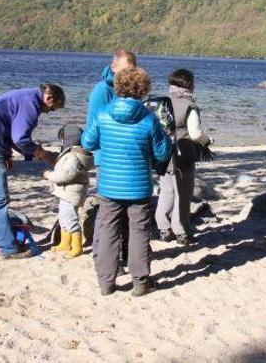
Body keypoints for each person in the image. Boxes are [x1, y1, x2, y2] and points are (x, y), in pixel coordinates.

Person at [82, 67, 171, 296]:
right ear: (143, 90)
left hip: (109, 186)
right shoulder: (149, 118)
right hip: (139, 186)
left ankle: (106, 283)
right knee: (139, 232)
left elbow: (88, 142)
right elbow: (162, 153)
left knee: (108, 230)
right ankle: (140, 282)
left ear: (118, 87)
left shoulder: (103, 114)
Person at [0, 84, 65, 259]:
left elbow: (11, 133)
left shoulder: (24, 96)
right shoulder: (31, 104)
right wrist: (36, 151)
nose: (48, 113)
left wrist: (26, 154)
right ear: (49, 98)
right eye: (52, 109)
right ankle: (7, 249)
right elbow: (20, 137)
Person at [86, 49, 137, 254]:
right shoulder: (102, 90)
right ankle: (101, 253)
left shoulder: (131, 88)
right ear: (113, 66)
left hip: (129, 158)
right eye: (125, 70)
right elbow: (92, 128)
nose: (128, 75)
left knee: (125, 211)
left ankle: (123, 253)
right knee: (109, 212)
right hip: (107, 159)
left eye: (132, 70)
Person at [155, 69, 212, 245]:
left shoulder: (161, 102)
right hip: (183, 154)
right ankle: (181, 231)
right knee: (183, 193)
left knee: (166, 191)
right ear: (190, 84)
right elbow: (195, 134)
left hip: (162, 154)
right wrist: (208, 140)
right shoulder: (190, 105)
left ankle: (163, 228)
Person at [42, 125, 94, 259]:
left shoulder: (73, 157)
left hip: (72, 193)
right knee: (63, 217)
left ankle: (77, 246)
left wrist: (50, 175)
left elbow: (66, 175)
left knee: (70, 219)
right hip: (67, 192)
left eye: (62, 138)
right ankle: (65, 242)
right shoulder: (70, 153)